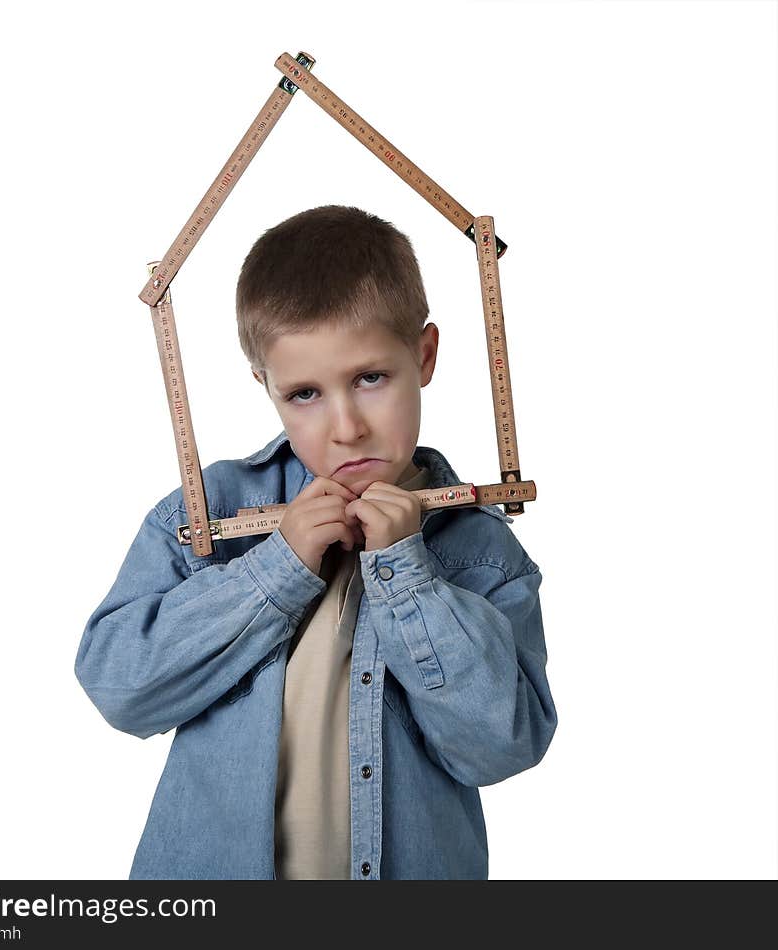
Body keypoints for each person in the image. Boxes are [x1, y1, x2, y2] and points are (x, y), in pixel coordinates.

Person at [75, 204, 558, 880]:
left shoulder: (479, 550)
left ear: (423, 356)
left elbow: (500, 748)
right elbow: (120, 686)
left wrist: (408, 575)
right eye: (304, 393)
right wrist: (275, 570)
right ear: (265, 387)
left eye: (370, 378)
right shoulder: (214, 512)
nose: (346, 427)